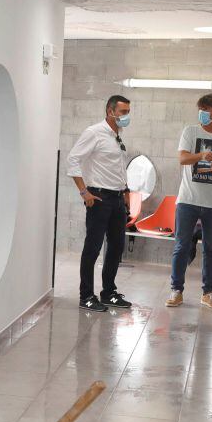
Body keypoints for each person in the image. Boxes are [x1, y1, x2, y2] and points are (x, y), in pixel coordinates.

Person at [167, 93, 212, 309]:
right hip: (188, 200)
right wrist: (201, 156)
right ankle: (176, 290)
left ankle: (208, 293)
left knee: (211, 249)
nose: (202, 114)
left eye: (206, 109)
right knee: (181, 246)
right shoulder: (190, 131)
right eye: (200, 109)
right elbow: (182, 158)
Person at [66, 95, 134, 312]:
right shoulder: (94, 132)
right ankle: (86, 295)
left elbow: (117, 168)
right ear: (110, 111)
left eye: (127, 112)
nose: (126, 116)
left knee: (116, 247)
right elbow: (73, 160)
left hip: (117, 199)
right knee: (93, 248)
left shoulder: (117, 136)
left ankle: (108, 293)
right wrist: (84, 191)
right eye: (123, 112)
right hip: (99, 198)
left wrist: (125, 191)